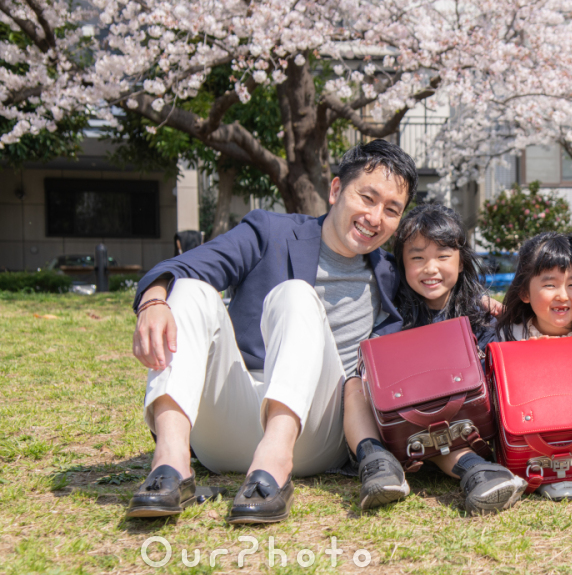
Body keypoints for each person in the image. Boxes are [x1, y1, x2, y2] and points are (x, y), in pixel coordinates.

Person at [127, 140, 414, 524]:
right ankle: (171, 465)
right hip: (229, 420)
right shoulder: (270, 232)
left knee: (297, 295)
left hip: (316, 432)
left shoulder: (392, 273)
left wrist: (486, 304)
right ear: (335, 191)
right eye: (367, 197)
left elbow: (440, 297)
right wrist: (153, 301)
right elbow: (187, 265)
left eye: (391, 210)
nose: (375, 217)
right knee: (191, 287)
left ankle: (274, 463)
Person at [344, 203, 528, 514]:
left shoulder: (481, 318)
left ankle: (477, 470)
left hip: (464, 429)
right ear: (402, 265)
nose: (431, 268)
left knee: (438, 418)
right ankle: (376, 462)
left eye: (443, 257)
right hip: (402, 431)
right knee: (352, 384)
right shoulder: (392, 315)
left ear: (460, 261)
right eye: (417, 258)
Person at [495, 232, 572, 504]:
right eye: (550, 285)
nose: (563, 295)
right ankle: (553, 473)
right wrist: (533, 357)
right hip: (536, 435)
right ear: (525, 292)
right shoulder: (512, 332)